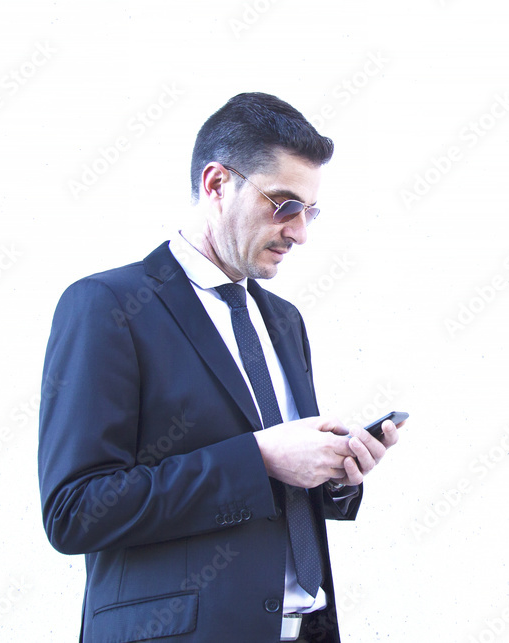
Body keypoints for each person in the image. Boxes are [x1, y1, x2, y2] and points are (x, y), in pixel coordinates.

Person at [37, 92, 402, 642]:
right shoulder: (108, 306)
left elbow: (278, 491)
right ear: (216, 184)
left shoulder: (284, 321)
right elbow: (75, 511)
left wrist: (334, 473)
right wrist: (261, 458)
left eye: (309, 211)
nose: (300, 232)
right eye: (284, 204)